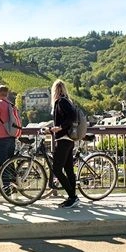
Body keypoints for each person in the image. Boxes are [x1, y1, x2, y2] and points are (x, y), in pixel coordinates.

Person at [50, 79, 80, 208]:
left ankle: (72, 197)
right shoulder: (66, 100)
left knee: (56, 169)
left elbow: (71, 116)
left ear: (55, 90)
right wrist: (53, 128)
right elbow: (68, 117)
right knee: (68, 169)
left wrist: (60, 127)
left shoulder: (61, 101)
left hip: (64, 139)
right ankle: (72, 198)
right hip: (69, 140)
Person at [0, 85, 17, 202]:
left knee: (3, 166)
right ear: (7, 93)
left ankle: (6, 195)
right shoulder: (11, 105)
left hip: (1, 138)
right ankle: (14, 193)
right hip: (12, 137)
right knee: (10, 164)